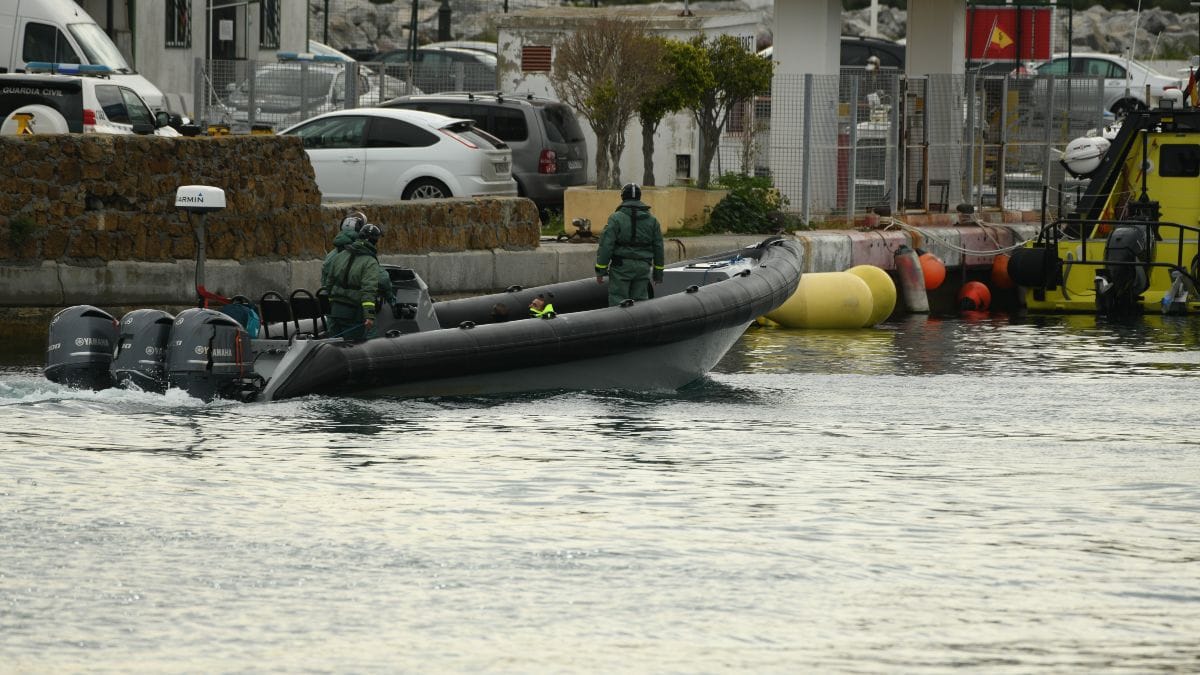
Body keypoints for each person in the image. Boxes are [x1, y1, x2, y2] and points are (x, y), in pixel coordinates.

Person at [595, 183, 665, 306]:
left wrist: (600, 271)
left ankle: (619, 324)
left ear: (623, 197)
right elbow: (658, 248)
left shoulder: (615, 218)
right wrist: (658, 274)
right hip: (643, 267)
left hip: (621, 268)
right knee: (640, 303)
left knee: (618, 302)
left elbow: (606, 245)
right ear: (639, 197)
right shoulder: (653, 221)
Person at [322, 222, 385, 341]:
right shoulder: (370, 262)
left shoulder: (340, 255)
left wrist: (333, 302)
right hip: (353, 314)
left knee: (334, 345)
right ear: (374, 241)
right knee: (352, 347)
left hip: (335, 311)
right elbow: (369, 290)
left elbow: (329, 282)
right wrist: (369, 316)